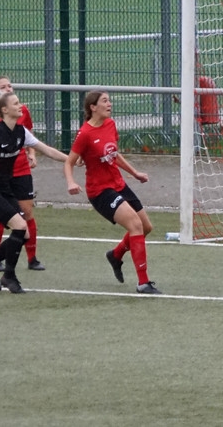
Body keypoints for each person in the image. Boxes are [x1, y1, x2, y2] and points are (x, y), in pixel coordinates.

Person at [0, 90, 69, 294]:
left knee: (25, 233)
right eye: (16, 103)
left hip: (4, 188)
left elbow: (47, 150)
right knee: (20, 227)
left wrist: (72, 160)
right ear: (4, 110)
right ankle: (9, 276)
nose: (20, 106)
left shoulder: (21, 132)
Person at [64, 91, 162, 295]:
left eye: (109, 100)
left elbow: (114, 154)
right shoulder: (85, 133)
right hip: (100, 191)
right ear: (93, 107)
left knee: (146, 227)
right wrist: (71, 182)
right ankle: (143, 283)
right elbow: (69, 162)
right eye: (105, 101)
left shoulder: (110, 124)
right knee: (135, 225)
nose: (110, 104)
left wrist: (134, 173)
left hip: (118, 184)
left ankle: (116, 255)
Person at [0, 76, 46, 272]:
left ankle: (32, 259)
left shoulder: (22, 111)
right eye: (3, 86)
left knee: (27, 213)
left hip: (21, 170)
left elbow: (29, 136)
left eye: (10, 85)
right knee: (4, 215)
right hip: (0, 175)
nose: (8, 88)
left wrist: (32, 154)